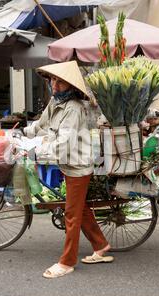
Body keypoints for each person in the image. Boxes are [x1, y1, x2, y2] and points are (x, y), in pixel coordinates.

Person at [22, 61, 113, 279]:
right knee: (79, 209)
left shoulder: (73, 108)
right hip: (68, 163)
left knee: (71, 214)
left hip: (78, 166)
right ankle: (101, 246)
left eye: (61, 81)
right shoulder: (55, 102)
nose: (55, 84)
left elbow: (63, 145)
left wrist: (35, 153)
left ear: (71, 85)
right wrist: (21, 134)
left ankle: (67, 261)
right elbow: (41, 124)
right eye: (53, 79)